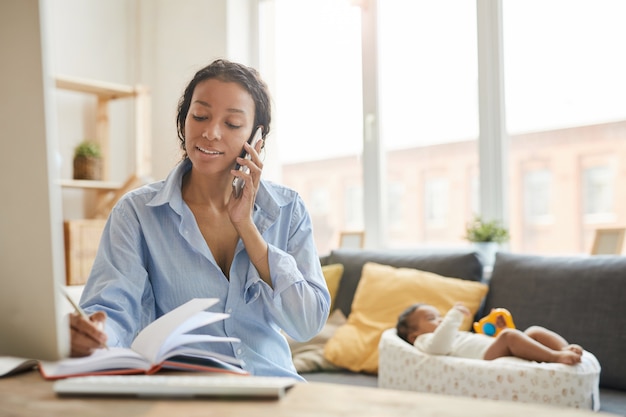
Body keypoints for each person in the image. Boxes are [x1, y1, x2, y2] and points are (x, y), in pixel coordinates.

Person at [68, 59, 330, 380]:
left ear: (257, 136)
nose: (210, 133)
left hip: (274, 388)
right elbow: (113, 310)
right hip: (185, 394)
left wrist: (247, 229)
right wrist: (94, 336)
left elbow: (307, 323)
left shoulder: (288, 210)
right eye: (200, 116)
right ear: (184, 119)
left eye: (232, 124)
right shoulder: (137, 213)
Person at [396, 303, 583, 365]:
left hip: (492, 348)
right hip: (485, 358)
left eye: (441, 316)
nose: (440, 320)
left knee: (534, 331)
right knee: (510, 336)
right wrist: (452, 317)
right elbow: (439, 346)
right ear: (413, 335)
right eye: (431, 319)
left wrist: (498, 332)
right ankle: (555, 356)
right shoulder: (424, 341)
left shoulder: (452, 334)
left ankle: (564, 348)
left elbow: (484, 341)